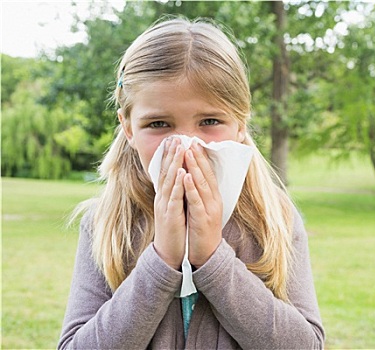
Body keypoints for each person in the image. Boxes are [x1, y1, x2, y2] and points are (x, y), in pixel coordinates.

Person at [58, 17, 324, 349]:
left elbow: (307, 345)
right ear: (127, 127)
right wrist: (161, 261)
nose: (186, 145)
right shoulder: (105, 224)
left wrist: (213, 259)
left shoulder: (274, 219)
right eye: (158, 123)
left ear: (241, 124)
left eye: (210, 121)